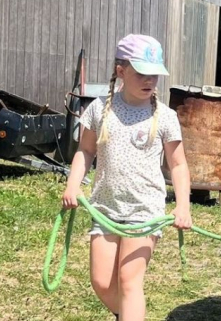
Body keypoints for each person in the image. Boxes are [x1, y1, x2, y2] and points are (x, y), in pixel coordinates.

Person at [61, 34, 192, 321]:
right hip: (105, 208)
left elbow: (178, 165)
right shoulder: (99, 109)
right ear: (120, 71)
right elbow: (85, 150)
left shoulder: (165, 116)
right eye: (142, 73)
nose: (150, 81)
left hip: (145, 211)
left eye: (154, 75)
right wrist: (73, 185)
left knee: (129, 280)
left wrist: (183, 205)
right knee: (102, 282)